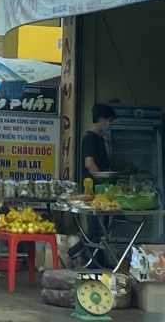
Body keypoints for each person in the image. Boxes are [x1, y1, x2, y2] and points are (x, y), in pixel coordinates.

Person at [69, 103, 116, 267]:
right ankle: (73, 254)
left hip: (102, 190)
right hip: (92, 189)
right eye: (109, 121)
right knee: (94, 230)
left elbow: (107, 159)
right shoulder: (89, 138)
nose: (110, 125)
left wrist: (109, 145)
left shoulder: (101, 139)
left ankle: (99, 262)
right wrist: (102, 178)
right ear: (101, 120)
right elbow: (89, 164)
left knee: (102, 229)